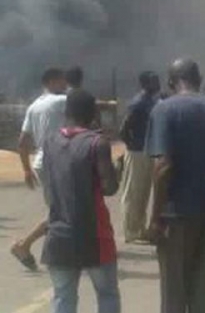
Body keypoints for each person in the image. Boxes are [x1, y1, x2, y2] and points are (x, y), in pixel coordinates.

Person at [145, 59, 205, 313]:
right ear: (199, 79)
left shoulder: (164, 110)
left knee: (173, 293)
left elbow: (163, 167)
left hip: (176, 217)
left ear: (170, 82)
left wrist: (155, 219)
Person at [42, 89, 121, 313]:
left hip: (58, 232)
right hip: (94, 235)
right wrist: (117, 169)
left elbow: (49, 186)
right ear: (93, 113)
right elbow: (109, 188)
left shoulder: (50, 141)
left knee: (63, 296)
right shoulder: (98, 143)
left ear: (67, 112)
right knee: (107, 293)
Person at [10, 67, 68, 272]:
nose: (65, 85)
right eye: (62, 81)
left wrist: (26, 170)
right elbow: (87, 105)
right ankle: (24, 245)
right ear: (51, 82)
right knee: (61, 211)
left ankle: (58, 251)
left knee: (60, 210)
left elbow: (22, 142)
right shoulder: (61, 101)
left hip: (42, 162)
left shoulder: (34, 106)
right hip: (57, 162)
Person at [119, 71, 161, 243]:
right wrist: (132, 145)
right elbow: (123, 129)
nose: (158, 84)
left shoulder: (151, 101)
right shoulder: (138, 103)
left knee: (143, 193)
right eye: (154, 81)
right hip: (137, 152)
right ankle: (130, 231)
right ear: (145, 83)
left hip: (147, 151)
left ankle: (139, 228)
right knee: (133, 193)